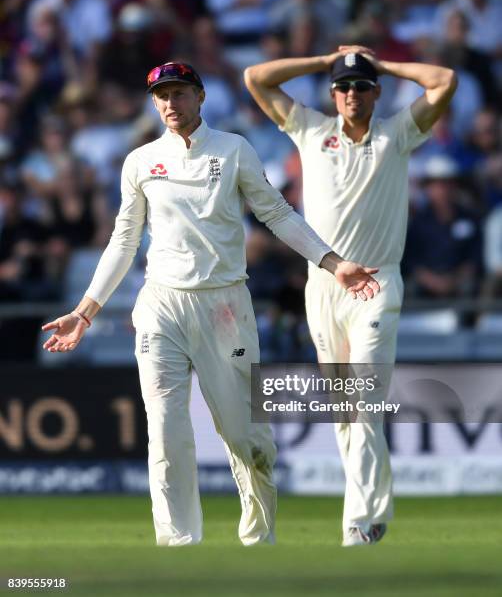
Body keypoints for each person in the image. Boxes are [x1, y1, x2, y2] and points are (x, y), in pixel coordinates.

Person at [41, 61, 381, 547]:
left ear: (200, 97)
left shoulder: (233, 150)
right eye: (161, 96)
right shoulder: (140, 161)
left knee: (246, 439)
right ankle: (178, 547)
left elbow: (277, 213)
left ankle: (258, 538)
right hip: (161, 305)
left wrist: (333, 262)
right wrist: (86, 310)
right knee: (164, 432)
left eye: (179, 94)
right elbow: (123, 240)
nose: (170, 104)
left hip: (225, 307)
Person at [244, 45, 457, 546]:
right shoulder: (311, 130)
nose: (351, 94)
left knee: (362, 399)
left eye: (361, 86)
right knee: (347, 409)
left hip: (377, 284)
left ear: (376, 92)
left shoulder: (397, 133)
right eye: (343, 86)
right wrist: (325, 61)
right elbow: (256, 77)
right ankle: (375, 509)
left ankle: (359, 524)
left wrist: (378, 62)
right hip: (325, 284)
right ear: (332, 93)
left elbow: (443, 80)